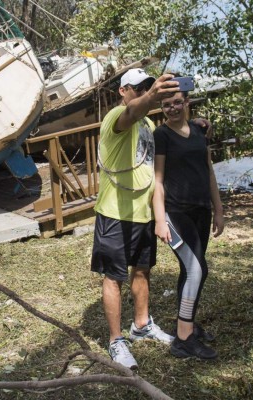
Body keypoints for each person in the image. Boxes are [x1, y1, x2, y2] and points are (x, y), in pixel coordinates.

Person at [91, 68, 182, 370]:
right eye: (138, 87)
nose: (143, 91)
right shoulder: (117, 117)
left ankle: (141, 324)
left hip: (143, 213)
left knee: (142, 272)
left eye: (147, 86)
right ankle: (116, 340)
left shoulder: (147, 123)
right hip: (115, 213)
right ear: (122, 90)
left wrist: (195, 124)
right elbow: (132, 110)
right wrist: (153, 95)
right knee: (114, 277)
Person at [152, 79, 224, 360]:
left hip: (200, 210)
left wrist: (217, 209)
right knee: (197, 270)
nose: (171, 107)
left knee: (189, 271)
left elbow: (208, 171)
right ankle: (183, 339)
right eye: (166, 104)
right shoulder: (161, 135)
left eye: (177, 102)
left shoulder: (199, 130)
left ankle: (188, 323)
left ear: (187, 103)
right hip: (175, 212)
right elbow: (157, 180)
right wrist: (160, 219)